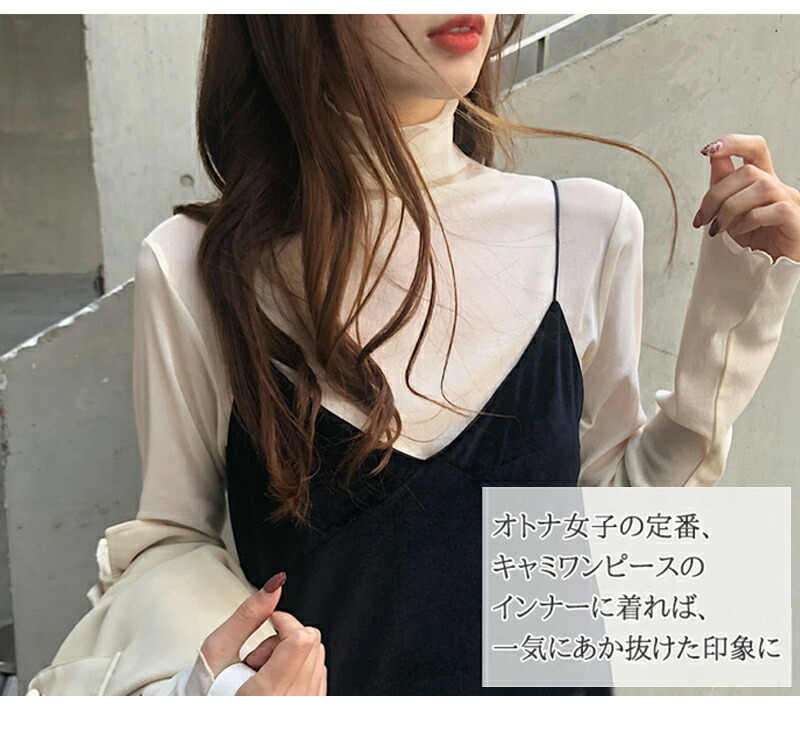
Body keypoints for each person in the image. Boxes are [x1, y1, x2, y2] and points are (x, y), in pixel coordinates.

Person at [26, 14, 800, 696]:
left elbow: (599, 535)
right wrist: (225, 688)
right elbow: (169, 546)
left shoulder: (586, 228)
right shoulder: (196, 264)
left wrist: (741, 308)